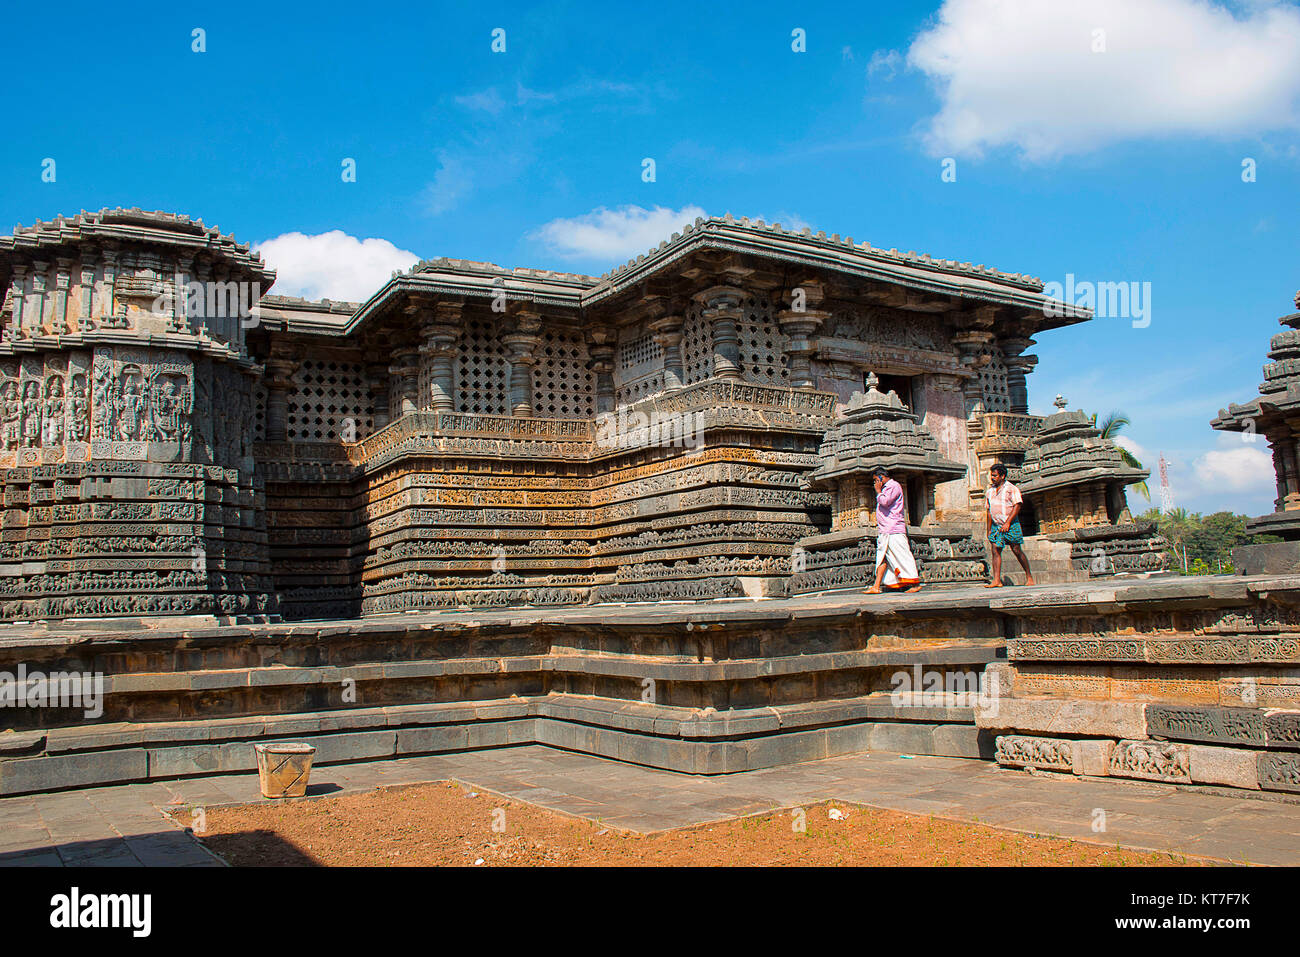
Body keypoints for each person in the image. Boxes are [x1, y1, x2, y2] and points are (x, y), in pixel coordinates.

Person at [866, 468, 923, 594]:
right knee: (882, 558)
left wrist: (878, 491)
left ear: (881, 477)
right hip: (886, 529)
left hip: (894, 528)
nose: (875, 483)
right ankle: (876, 586)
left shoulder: (894, 486)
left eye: (876, 480)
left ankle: (915, 583)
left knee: (903, 556)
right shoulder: (887, 488)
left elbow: (885, 502)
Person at [985, 463, 1036, 587]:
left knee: (1016, 550)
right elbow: (988, 511)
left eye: (995, 475)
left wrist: (1008, 522)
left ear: (1002, 476)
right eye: (992, 475)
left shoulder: (1011, 488)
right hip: (997, 525)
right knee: (995, 550)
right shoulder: (990, 491)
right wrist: (988, 529)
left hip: (1011, 524)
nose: (993, 478)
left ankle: (1029, 576)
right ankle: (997, 580)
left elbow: (1017, 505)